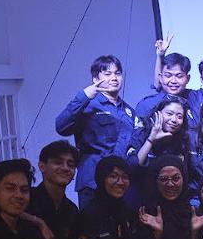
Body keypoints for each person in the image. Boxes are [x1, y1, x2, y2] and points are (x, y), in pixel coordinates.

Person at [55, 55, 140, 208]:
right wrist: (84, 96)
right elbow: (61, 126)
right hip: (92, 181)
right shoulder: (87, 105)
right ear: (95, 79)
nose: (114, 78)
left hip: (120, 182)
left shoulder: (129, 112)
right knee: (92, 223)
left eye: (117, 73)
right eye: (107, 74)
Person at [29, 141, 81, 239]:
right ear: (42, 166)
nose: (65, 168)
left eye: (70, 165)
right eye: (58, 162)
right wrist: (39, 222)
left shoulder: (72, 210)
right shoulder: (27, 199)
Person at [138, 155, 196, 239]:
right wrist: (157, 236)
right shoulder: (146, 214)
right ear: (155, 181)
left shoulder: (193, 214)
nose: (170, 184)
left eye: (176, 178)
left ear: (184, 179)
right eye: (164, 179)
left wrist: (195, 234)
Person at [140, 50, 199, 126]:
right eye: (168, 76)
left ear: (188, 78)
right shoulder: (147, 105)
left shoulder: (196, 99)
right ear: (160, 78)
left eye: (179, 76)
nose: (173, 81)